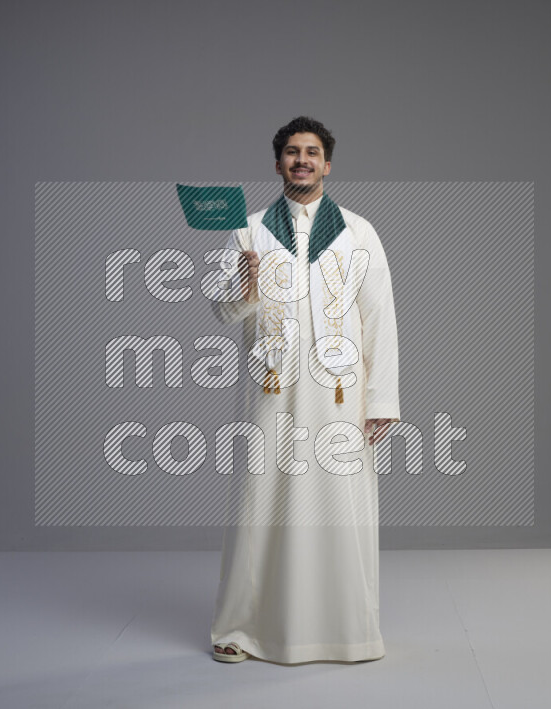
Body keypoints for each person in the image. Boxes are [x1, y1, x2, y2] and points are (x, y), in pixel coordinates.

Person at [209, 116, 400, 664]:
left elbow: (379, 318)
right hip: (273, 390)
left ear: (327, 164)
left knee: (341, 507)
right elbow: (222, 311)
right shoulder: (248, 230)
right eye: (291, 152)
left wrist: (382, 399)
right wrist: (243, 282)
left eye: (312, 152)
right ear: (277, 164)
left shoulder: (359, 232)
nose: (302, 160)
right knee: (259, 504)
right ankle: (241, 628)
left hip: (341, 394)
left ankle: (346, 630)